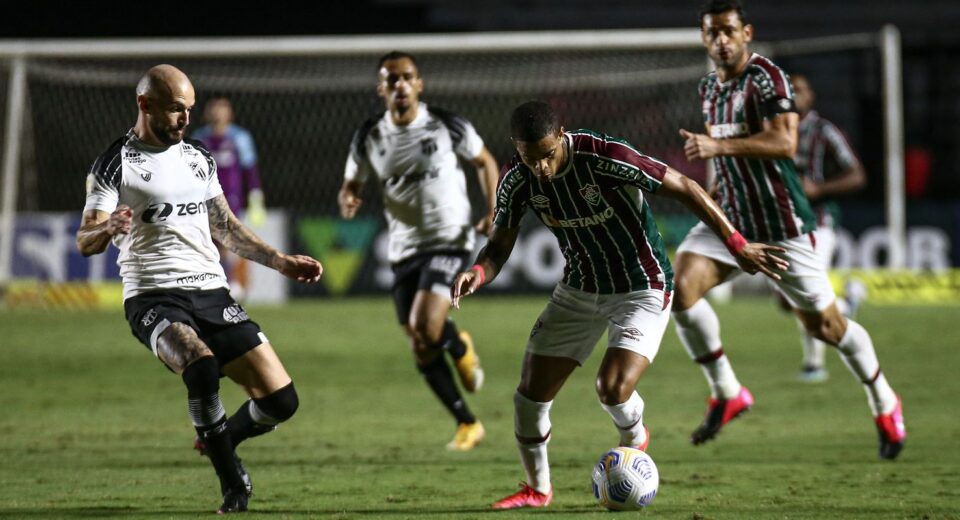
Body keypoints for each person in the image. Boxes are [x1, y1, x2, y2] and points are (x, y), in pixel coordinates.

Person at [451, 100, 787, 509]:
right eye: (528, 157)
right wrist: (478, 272)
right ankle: (537, 490)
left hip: (641, 287)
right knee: (528, 399)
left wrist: (738, 244)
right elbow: (500, 245)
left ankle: (635, 437)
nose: (539, 167)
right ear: (515, 148)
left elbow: (686, 187)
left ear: (562, 136)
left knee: (611, 388)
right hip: (578, 290)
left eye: (546, 155)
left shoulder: (605, 156)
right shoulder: (516, 180)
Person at [76, 64, 323, 513]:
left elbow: (225, 228)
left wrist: (280, 261)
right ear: (144, 104)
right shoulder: (115, 164)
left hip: (212, 292)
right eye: (175, 110)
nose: (186, 120)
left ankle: (221, 440)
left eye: (189, 109)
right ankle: (233, 484)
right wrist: (108, 225)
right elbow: (85, 239)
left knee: (281, 401)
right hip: (153, 296)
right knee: (201, 367)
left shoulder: (198, 157)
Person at [673, 0, 905, 459]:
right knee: (679, 289)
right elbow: (723, 158)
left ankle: (884, 400)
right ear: (704, 38)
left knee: (827, 326)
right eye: (712, 32)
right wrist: (715, 191)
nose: (721, 39)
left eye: (728, 31)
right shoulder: (708, 89)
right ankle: (727, 392)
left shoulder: (767, 78)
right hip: (734, 217)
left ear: (746, 33)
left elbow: (785, 142)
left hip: (782, 224)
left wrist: (716, 146)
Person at [338, 51, 499, 451]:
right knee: (420, 344)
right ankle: (468, 423)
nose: (400, 85)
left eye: (407, 77)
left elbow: (484, 161)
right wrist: (348, 199)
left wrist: (493, 209)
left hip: (451, 238)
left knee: (427, 325)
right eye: (391, 79)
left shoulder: (446, 125)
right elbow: (352, 183)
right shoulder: (369, 135)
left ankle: (459, 347)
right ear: (381, 89)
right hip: (404, 248)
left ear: (419, 84)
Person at [788, 73, 868, 382]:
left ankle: (814, 364)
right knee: (788, 298)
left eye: (801, 90)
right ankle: (848, 303)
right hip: (782, 226)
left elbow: (857, 175)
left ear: (812, 97)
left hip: (818, 223)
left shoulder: (824, 132)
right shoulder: (769, 130)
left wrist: (819, 189)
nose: (794, 95)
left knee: (806, 294)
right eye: (789, 89)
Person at [192, 96, 266, 302]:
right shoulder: (200, 138)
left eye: (222, 109)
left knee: (227, 238)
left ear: (229, 113)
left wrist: (256, 197)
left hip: (230, 197)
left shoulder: (239, 137)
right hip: (202, 198)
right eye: (214, 109)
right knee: (208, 241)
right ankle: (218, 282)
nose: (217, 113)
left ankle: (232, 282)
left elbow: (250, 169)